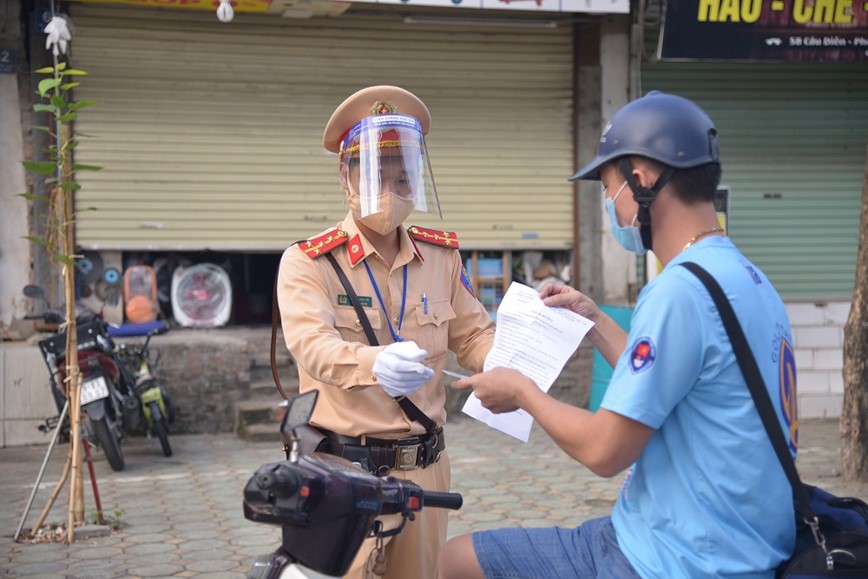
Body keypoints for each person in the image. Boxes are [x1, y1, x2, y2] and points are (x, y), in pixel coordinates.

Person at [438, 91, 798, 579]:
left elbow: (605, 451)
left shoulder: (678, 290)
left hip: (672, 557)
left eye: (610, 189)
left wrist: (522, 392)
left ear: (642, 179)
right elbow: (675, 382)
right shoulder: (744, 276)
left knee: (449, 562)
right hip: (741, 543)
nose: (610, 206)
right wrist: (592, 318)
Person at [276, 85, 495, 579]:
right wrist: (374, 363)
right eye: (378, 173)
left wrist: (519, 354)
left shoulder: (440, 257)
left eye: (404, 176)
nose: (393, 190)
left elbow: (474, 336)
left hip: (425, 469)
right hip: (343, 472)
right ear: (345, 175)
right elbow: (311, 345)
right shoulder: (310, 262)